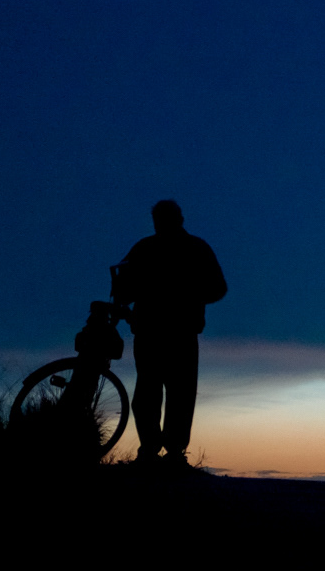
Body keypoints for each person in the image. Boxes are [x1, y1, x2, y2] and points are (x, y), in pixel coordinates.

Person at [117, 200, 226, 467]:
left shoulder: (146, 247)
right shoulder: (195, 247)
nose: (160, 224)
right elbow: (218, 288)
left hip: (159, 331)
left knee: (155, 392)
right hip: (175, 331)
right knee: (174, 394)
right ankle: (169, 454)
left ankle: (156, 452)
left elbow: (122, 289)